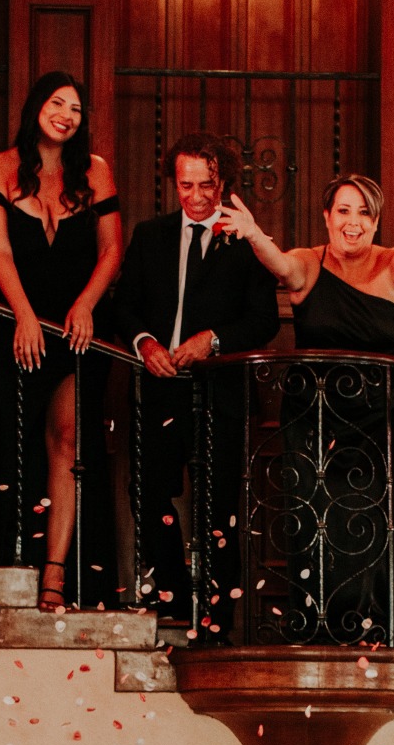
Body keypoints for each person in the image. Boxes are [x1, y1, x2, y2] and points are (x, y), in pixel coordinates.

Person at [222, 173, 394, 642]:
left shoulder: (393, 264)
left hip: (379, 424)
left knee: (373, 524)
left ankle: (377, 630)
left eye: (363, 213)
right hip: (313, 422)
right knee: (315, 521)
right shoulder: (308, 263)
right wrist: (255, 235)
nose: (352, 222)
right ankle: (316, 627)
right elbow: (282, 268)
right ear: (327, 216)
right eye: (343, 211)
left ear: (375, 222)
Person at [0, 72, 122, 609]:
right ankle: (3, 565)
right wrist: (24, 316)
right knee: (7, 440)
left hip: (78, 330)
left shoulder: (96, 172)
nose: (66, 115)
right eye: (57, 103)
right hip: (15, 323)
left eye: (76, 108)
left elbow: (111, 252)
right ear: (36, 107)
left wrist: (85, 305)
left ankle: (56, 571)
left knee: (69, 438)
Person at [110, 133, 279, 631]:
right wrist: (144, 343)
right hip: (158, 388)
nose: (197, 195)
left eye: (206, 185)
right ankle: (174, 597)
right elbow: (124, 304)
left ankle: (217, 619)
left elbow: (264, 320)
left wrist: (214, 340)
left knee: (220, 508)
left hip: (220, 395)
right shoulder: (150, 234)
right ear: (174, 183)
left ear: (222, 181)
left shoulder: (245, 240)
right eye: (186, 185)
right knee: (148, 494)